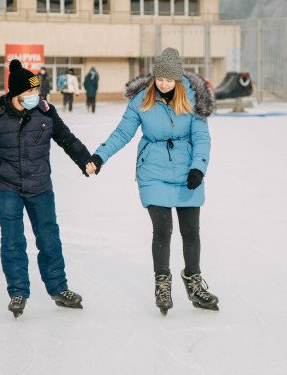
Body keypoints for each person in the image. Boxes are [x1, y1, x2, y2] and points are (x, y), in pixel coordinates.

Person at [85, 48, 219, 316]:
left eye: (169, 80)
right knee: (163, 229)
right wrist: (100, 156)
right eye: (160, 79)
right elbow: (122, 133)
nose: (164, 84)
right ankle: (162, 284)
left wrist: (198, 168)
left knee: (191, 231)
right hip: (153, 171)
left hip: (186, 171)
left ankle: (193, 282)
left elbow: (201, 137)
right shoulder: (141, 99)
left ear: (178, 79)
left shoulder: (193, 98)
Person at [0, 59, 91, 319]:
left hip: (40, 185)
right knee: (12, 240)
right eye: (30, 91)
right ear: (16, 92)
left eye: (36, 90)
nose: (35, 95)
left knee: (49, 238)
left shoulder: (46, 112)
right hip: (7, 186)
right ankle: (18, 291)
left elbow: (67, 139)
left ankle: (59, 288)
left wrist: (85, 160)